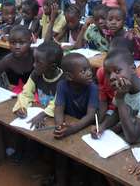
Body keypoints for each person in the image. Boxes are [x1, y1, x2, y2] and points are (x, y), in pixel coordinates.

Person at [90, 49, 140, 144]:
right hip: (134, 139)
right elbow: (116, 114)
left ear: (133, 68)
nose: (112, 77)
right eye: (108, 73)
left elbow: (132, 138)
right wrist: (102, 126)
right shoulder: (122, 88)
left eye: (117, 71)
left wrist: (120, 99)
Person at [53, 53, 99, 186]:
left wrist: (71, 129)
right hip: (70, 126)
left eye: (89, 69)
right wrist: (59, 125)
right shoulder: (62, 85)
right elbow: (58, 108)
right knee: (60, 156)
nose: (89, 73)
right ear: (69, 76)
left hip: (84, 129)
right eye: (83, 71)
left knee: (80, 164)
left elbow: (90, 117)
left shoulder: (93, 88)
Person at [12, 40, 63, 128]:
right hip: (41, 113)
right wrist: (22, 107)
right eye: (34, 60)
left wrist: (43, 115)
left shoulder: (63, 81)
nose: (34, 65)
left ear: (53, 66)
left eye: (38, 62)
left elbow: (57, 103)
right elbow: (26, 94)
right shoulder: (36, 74)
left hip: (57, 117)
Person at [0, 25, 33, 95]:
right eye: (13, 43)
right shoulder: (7, 60)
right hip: (16, 94)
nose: (17, 47)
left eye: (22, 43)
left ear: (30, 41)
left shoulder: (37, 56)